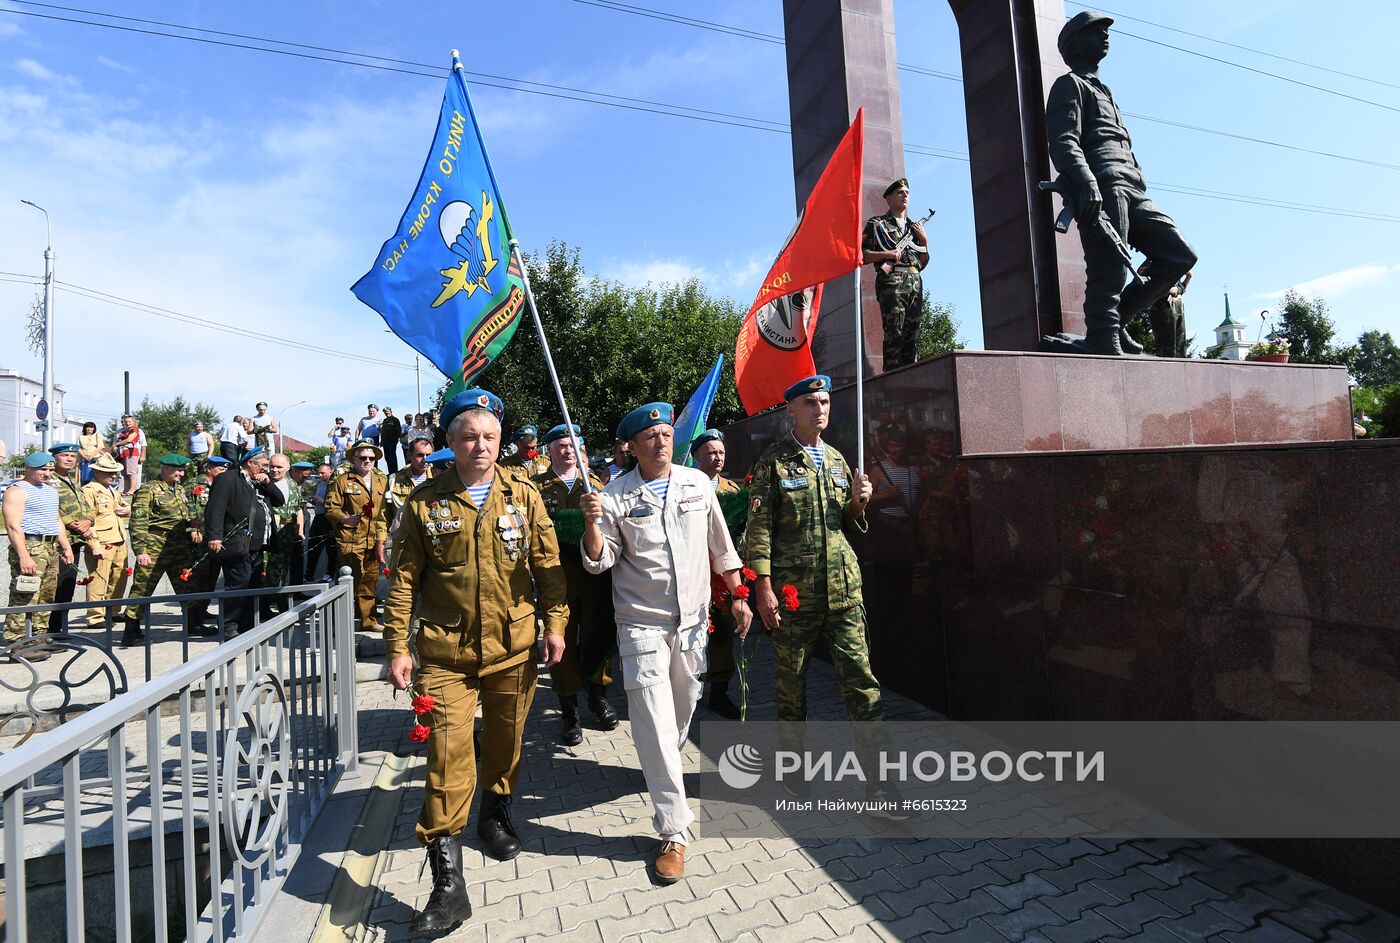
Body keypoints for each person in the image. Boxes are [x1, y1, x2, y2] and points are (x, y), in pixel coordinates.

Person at [383, 388, 567, 934]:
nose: (480, 445)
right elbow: (404, 582)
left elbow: (549, 566)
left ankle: (495, 811)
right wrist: (397, 646)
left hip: (513, 650)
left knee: (507, 741)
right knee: (446, 756)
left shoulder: (524, 495)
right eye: (469, 436)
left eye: (489, 436)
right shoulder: (423, 503)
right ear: (449, 442)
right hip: (445, 654)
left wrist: (555, 624)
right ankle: (448, 884)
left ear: (500, 441)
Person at [581, 403, 751, 884]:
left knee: (681, 712)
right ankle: (674, 830)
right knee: (654, 727)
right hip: (642, 626)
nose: (660, 441)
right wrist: (592, 519)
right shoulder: (614, 496)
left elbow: (722, 545)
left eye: (664, 432)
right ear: (630, 447)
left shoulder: (697, 484)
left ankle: (663, 765)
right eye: (649, 436)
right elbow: (599, 562)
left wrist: (738, 597)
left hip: (694, 622)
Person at [1046, 10, 1197, 355]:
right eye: (1095, 31)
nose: (1105, 35)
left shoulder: (1106, 90)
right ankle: (1103, 333)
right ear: (1074, 44)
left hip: (1132, 187)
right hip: (1103, 182)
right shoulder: (1070, 84)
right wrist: (1087, 183)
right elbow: (1063, 140)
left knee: (1179, 255)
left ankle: (1117, 318)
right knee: (1109, 266)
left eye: (1104, 31)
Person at [532, 423, 618, 745]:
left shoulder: (594, 484)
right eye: (560, 446)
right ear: (549, 450)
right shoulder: (538, 488)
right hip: (558, 579)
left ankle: (598, 696)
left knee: (598, 635)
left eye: (572, 446)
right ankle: (569, 709)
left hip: (595, 577)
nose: (567, 451)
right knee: (562, 643)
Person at [689, 428, 745, 719]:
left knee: (723, 632)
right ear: (696, 455)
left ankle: (719, 692)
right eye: (710, 452)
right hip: (691, 573)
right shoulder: (685, 486)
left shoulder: (732, 491)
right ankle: (686, 688)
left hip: (721, 575)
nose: (717, 457)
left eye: (721, 452)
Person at [121, 454, 204, 647]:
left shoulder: (179, 489)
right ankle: (131, 631)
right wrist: (140, 550)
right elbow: (138, 521)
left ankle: (193, 623)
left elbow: (183, 515)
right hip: (154, 545)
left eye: (183, 470)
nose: (182, 473)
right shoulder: (148, 490)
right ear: (165, 469)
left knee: (188, 584)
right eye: (178, 470)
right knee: (143, 587)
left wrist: (193, 525)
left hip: (178, 545)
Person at [204, 447, 283, 634]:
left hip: (256, 543)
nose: (266, 469)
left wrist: (267, 483)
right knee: (238, 582)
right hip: (236, 541)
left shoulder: (257, 482)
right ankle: (229, 625)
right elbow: (215, 508)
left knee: (253, 583)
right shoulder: (228, 478)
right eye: (263, 466)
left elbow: (279, 500)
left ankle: (247, 624)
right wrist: (215, 536)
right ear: (250, 463)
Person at [3, 452, 72, 655]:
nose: (47, 473)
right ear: (29, 468)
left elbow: (56, 521)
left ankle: (38, 637)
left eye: (50, 469)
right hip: (30, 545)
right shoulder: (17, 491)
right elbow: (13, 526)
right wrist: (23, 555)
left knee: (46, 596)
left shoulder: (50, 491)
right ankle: (16, 641)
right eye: (43, 469)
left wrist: (66, 547)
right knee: (25, 593)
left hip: (50, 547)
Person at [863, 178, 929, 370]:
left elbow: (923, 262)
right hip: (892, 282)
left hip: (915, 280)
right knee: (895, 333)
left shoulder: (914, 228)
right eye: (900, 192)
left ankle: (911, 375)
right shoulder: (877, 224)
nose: (905, 195)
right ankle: (893, 379)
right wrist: (887, 254)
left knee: (912, 334)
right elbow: (864, 255)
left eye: (907, 192)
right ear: (888, 198)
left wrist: (924, 241)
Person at [324, 439, 388, 630]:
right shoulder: (343, 480)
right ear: (354, 458)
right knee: (348, 580)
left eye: (371, 458)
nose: (367, 461)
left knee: (370, 580)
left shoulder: (382, 481)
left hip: (374, 538)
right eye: (363, 457)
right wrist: (344, 519)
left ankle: (368, 620)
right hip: (351, 538)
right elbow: (330, 507)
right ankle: (338, 623)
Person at [48, 443, 101, 632]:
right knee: (54, 587)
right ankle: (50, 630)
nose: (70, 459)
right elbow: (53, 509)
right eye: (65, 456)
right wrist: (73, 524)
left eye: (72, 456)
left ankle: (60, 629)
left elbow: (87, 508)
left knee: (67, 587)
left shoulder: (73, 481)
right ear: (54, 458)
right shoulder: (48, 481)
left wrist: (88, 521)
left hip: (75, 541)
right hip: (58, 543)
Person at [82, 455, 131, 627]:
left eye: (115, 472)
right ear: (96, 471)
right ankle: (95, 616)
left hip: (118, 539)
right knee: (98, 579)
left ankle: (113, 610)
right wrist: (94, 544)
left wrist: (127, 510)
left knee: (119, 577)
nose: (113, 476)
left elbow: (125, 505)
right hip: (102, 542)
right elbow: (87, 520)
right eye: (109, 472)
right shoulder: (89, 490)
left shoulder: (112, 490)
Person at [185, 455, 229, 631]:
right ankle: (194, 618)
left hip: (214, 537)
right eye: (220, 469)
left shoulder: (221, 485)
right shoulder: (194, 484)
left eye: (225, 470)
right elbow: (188, 508)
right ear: (209, 469)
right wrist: (193, 529)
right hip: (198, 538)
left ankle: (202, 609)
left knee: (211, 577)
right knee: (199, 579)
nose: (223, 472)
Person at [265, 454, 306, 612]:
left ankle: (281, 599)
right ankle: (266, 602)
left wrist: (300, 530)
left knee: (284, 568)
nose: (275, 470)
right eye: (272, 466)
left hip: (288, 532)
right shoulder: (264, 484)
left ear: (288, 468)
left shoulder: (292, 485)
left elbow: (298, 508)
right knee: (268, 568)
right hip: (271, 533)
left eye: (279, 467)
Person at [381, 436, 434, 543]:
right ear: (409, 455)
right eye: (420, 455)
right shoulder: (394, 480)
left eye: (428, 455)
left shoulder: (439, 478)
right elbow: (384, 515)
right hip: (404, 540)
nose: (425, 459)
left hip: (432, 538)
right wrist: (380, 541)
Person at [304, 462, 339, 581]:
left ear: (330, 472)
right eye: (319, 472)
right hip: (318, 516)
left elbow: (336, 505)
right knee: (313, 545)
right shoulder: (320, 484)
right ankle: (309, 574)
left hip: (328, 518)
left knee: (331, 548)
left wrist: (322, 501)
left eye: (322, 473)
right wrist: (314, 500)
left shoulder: (334, 485)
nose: (320, 475)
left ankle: (330, 573)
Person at [113, 414, 147, 495]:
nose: (127, 423)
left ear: (133, 422)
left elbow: (130, 440)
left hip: (132, 453)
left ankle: (132, 489)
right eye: (125, 422)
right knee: (125, 473)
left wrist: (143, 455)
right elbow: (114, 443)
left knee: (131, 472)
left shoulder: (136, 430)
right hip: (122, 453)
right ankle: (126, 489)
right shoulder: (119, 432)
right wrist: (114, 447)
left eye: (129, 422)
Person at [379, 407, 403, 475]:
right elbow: (382, 432)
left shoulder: (395, 420)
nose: (387, 413)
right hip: (385, 442)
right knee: (387, 457)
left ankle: (394, 472)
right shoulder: (384, 421)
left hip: (392, 441)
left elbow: (398, 431)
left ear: (391, 411)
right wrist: (382, 441)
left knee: (392, 456)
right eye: (385, 412)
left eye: (388, 412)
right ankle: (390, 472)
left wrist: (396, 439)